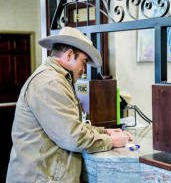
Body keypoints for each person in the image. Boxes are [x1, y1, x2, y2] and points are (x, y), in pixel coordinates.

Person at [6, 27, 133, 183]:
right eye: (83, 62)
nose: (84, 69)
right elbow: (73, 137)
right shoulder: (51, 83)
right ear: (69, 55)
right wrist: (111, 141)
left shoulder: (56, 78)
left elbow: (70, 125)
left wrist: (104, 132)